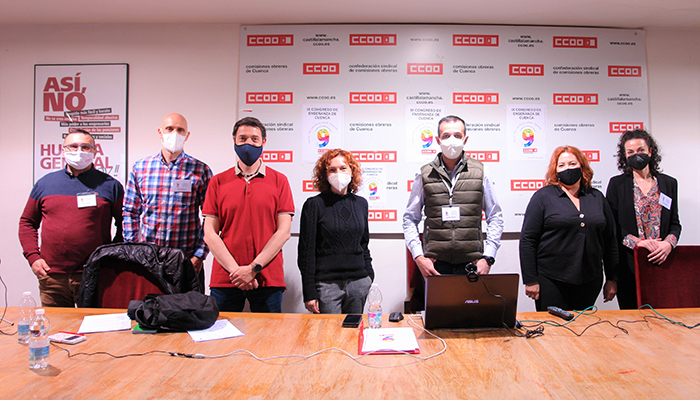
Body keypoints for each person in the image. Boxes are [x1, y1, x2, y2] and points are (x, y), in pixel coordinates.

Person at [19, 129, 124, 307]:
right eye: (73, 146)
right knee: (55, 324)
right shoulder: (45, 184)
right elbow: (27, 222)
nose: (79, 151)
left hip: (94, 274)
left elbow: (125, 224)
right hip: (52, 276)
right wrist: (33, 257)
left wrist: (111, 257)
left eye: (85, 147)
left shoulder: (110, 185)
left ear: (94, 151)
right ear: (63, 150)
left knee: (94, 324)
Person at [202, 117, 294, 312]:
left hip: (267, 278)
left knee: (269, 332)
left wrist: (253, 268)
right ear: (234, 140)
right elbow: (209, 233)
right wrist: (237, 272)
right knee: (221, 331)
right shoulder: (218, 182)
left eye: (254, 139)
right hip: (226, 278)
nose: (248, 143)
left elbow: (283, 232)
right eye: (242, 138)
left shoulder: (280, 181)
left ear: (263, 142)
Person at [403, 115, 504, 278]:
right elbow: (410, 218)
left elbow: (495, 216)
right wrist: (419, 257)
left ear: (465, 139)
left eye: (457, 135)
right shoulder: (424, 174)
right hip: (435, 265)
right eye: (446, 136)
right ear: (438, 140)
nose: (452, 140)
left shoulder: (480, 171)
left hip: (472, 263)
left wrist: (488, 257)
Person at [519, 145, 618, 311]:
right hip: (551, 279)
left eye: (572, 164)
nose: (568, 169)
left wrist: (612, 279)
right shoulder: (543, 197)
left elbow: (610, 241)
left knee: (583, 325)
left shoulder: (597, 197)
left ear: (582, 166)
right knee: (553, 326)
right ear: (555, 170)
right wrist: (530, 279)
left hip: (590, 279)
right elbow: (528, 240)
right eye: (562, 165)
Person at [123, 113, 212, 275]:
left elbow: (211, 217)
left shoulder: (200, 170)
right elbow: (130, 212)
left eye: (180, 130)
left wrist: (199, 255)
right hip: (148, 261)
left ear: (187, 135)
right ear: (160, 132)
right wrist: (133, 250)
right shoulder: (140, 168)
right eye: (169, 129)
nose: (174, 134)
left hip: (186, 260)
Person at [606, 129, 681, 309]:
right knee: (632, 318)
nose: (636, 155)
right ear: (624, 156)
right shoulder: (617, 185)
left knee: (663, 318)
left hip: (662, 262)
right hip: (629, 265)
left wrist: (668, 244)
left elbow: (675, 223)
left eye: (641, 150)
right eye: (630, 152)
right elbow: (612, 228)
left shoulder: (669, 183)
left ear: (650, 151)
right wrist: (639, 243)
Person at [298, 149, 374, 314]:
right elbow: (306, 253)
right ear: (325, 175)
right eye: (332, 170)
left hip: (359, 283)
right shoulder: (314, 205)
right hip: (326, 286)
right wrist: (309, 292)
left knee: (354, 329)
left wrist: (369, 275)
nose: (338, 173)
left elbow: (363, 244)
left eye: (343, 168)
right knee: (328, 331)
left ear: (352, 171)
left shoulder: (361, 204)